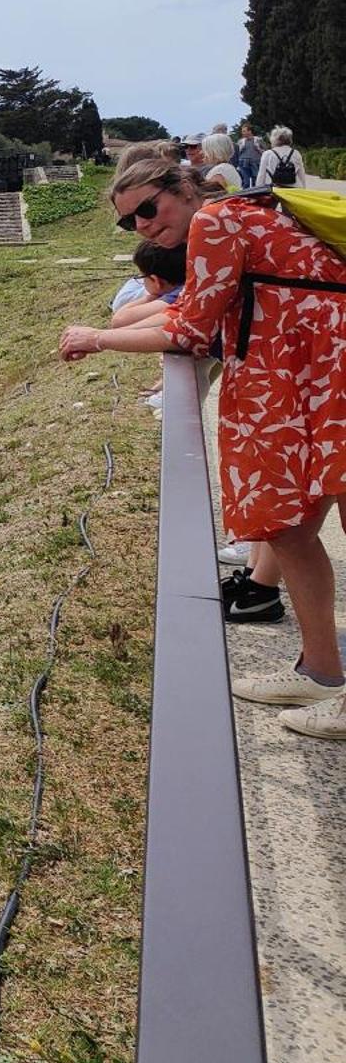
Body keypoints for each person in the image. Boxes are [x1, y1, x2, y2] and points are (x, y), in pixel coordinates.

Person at [58, 156, 346, 737]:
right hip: (293, 381)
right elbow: (199, 315)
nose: (141, 226)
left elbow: (190, 330)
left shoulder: (216, 221)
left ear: (183, 189)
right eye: (128, 222)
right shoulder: (237, 215)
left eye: (147, 209)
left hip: (319, 377)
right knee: (287, 528)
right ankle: (321, 670)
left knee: (304, 520)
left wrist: (98, 338)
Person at [235, 123, 263, 189]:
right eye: (242, 131)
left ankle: (257, 195)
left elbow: (265, 151)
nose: (242, 133)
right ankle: (244, 196)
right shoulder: (240, 141)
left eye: (244, 131)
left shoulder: (258, 140)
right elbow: (236, 153)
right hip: (243, 162)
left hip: (255, 162)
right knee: (246, 181)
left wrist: (259, 149)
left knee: (256, 180)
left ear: (250, 131)